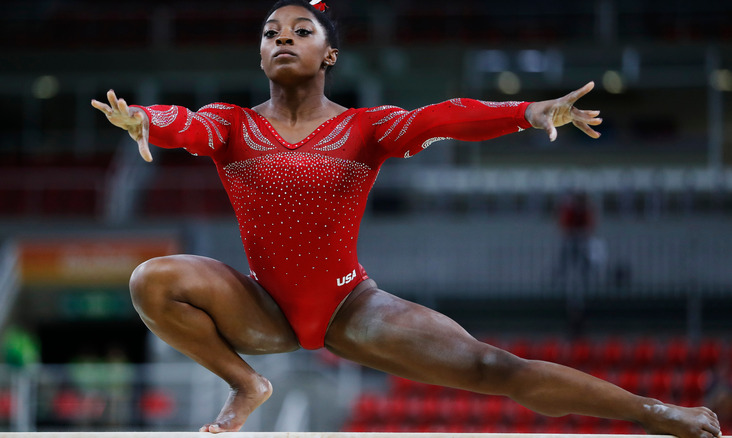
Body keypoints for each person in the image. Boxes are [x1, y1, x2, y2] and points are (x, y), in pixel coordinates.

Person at [91, 1, 721, 436]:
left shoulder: (364, 128)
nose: (282, 37)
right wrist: (147, 120)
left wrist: (528, 112)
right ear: (259, 55)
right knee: (152, 280)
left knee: (494, 369)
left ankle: (658, 413)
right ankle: (246, 385)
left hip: (350, 307)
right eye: (270, 31)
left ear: (330, 53)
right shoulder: (232, 123)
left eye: (301, 30)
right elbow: (190, 126)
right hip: (261, 307)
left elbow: (442, 116)